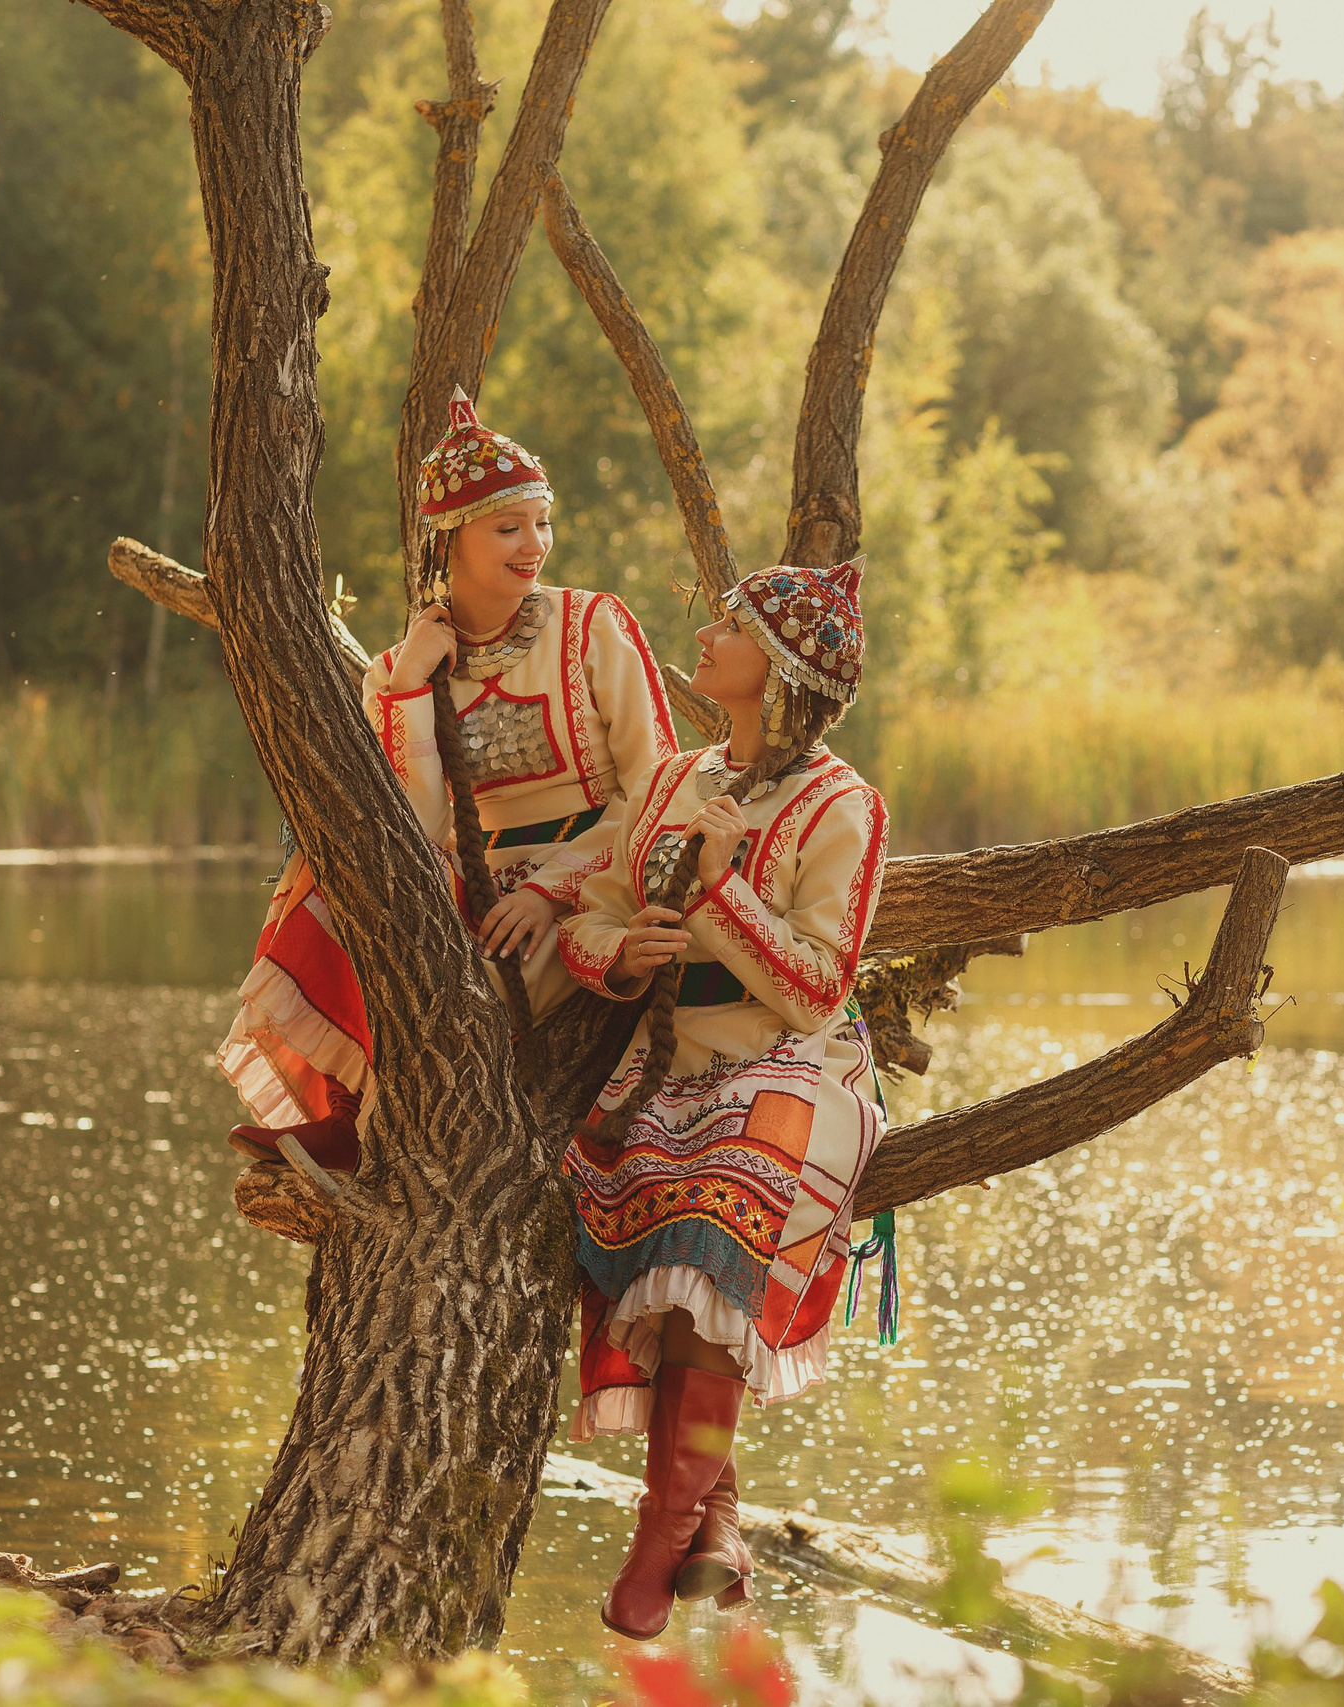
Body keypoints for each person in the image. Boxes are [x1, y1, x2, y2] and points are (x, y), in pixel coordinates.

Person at [217, 389, 679, 1171]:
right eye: (508, 528)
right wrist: (408, 689)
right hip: (468, 892)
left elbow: (659, 789)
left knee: (472, 975)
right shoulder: (403, 668)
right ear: (448, 542)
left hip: (588, 887)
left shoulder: (592, 625)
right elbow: (416, 825)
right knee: (329, 871)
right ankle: (343, 1107)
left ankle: (376, 1114)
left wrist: (548, 891)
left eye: (541, 522)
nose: (534, 545)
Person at [556, 558, 886, 1639]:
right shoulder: (675, 780)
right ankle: (717, 1518)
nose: (707, 634)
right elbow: (590, 915)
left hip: (790, 1069)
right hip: (670, 1063)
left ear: (783, 670)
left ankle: (664, 1530)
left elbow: (813, 990)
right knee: (608, 1193)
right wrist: (623, 950)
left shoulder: (844, 806)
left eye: (735, 625)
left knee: (712, 1206)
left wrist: (717, 892)